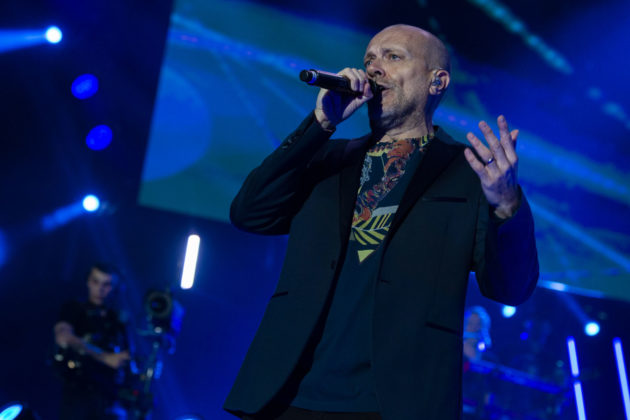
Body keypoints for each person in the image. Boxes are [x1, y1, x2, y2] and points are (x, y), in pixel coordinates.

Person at [224, 24, 539, 420]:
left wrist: (507, 206)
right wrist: (319, 124)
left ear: (437, 81)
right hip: (292, 393)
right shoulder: (327, 158)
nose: (374, 68)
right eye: (369, 59)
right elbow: (250, 213)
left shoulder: (470, 174)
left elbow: (511, 288)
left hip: (396, 402)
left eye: (393, 57)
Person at [53, 263, 130, 420]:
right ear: (88, 281)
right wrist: (104, 357)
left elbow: (127, 355)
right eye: (95, 281)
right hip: (79, 393)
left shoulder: (117, 319)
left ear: (115, 288)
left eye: (106, 284)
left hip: (109, 398)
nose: (100, 289)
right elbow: (63, 337)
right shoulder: (75, 308)